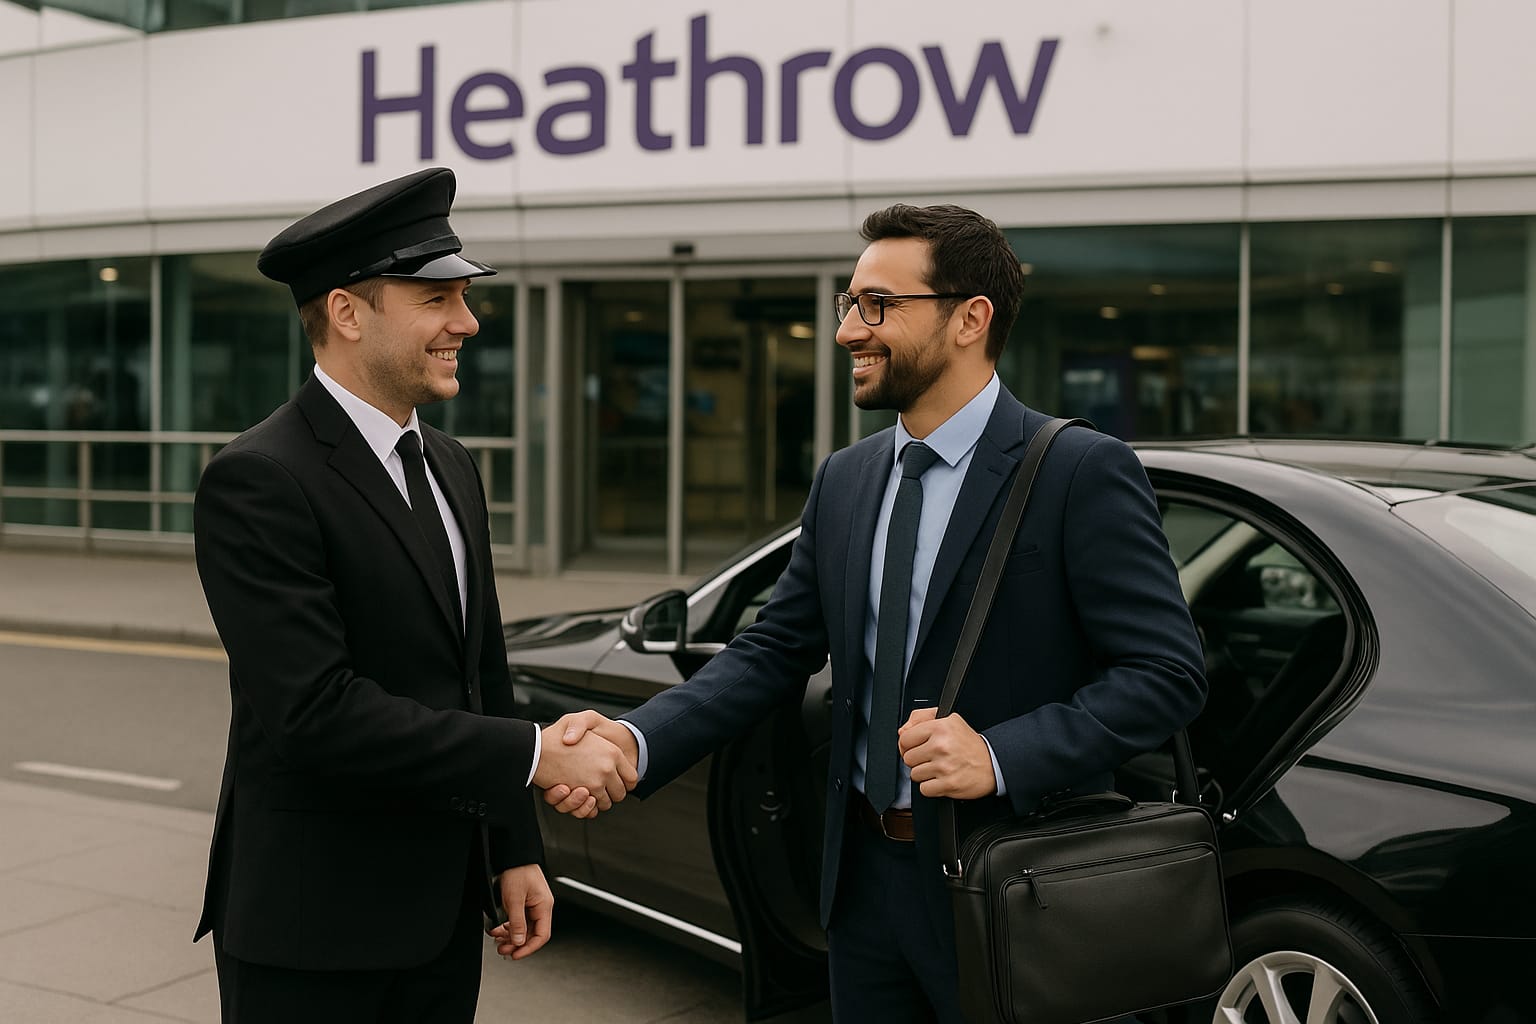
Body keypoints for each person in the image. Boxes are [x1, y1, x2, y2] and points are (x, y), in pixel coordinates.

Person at [545, 204, 1207, 1022]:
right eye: (849, 304)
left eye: (878, 306)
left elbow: (1166, 675)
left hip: (1016, 887)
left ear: (970, 319)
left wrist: (999, 755)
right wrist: (635, 741)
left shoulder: (1078, 470)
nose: (847, 331)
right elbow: (774, 648)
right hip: (861, 887)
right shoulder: (847, 478)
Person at [192, 167, 634, 1023]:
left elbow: (481, 672)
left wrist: (513, 848)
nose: (467, 321)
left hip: (440, 921)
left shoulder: (451, 464)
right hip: (312, 932)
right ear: (347, 312)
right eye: (437, 298)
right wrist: (537, 755)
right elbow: (315, 713)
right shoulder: (259, 479)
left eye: (463, 297)